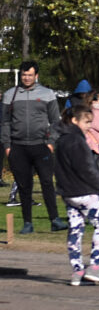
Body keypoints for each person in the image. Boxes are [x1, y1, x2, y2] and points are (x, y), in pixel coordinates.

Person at [55, 104, 99, 286]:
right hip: (84, 192)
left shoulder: (61, 140)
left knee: (76, 228)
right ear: (74, 121)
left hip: (68, 193)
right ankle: (95, 267)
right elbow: (86, 168)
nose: (89, 126)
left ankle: (77, 271)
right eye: (86, 122)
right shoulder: (77, 141)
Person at [2, 61, 67, 234]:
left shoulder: (47, 94)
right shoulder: (10, 95)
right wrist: (7, 145)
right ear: (20, 75)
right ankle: (27, 223)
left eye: (30, 75)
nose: (27, 78)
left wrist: (51, 142)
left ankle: (55, 220)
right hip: (18, 147)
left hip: (42, 146)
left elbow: (55, 121)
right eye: (24, 75)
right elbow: (5, 122)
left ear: (36, 75)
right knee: (24, 186)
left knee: (47, 182)